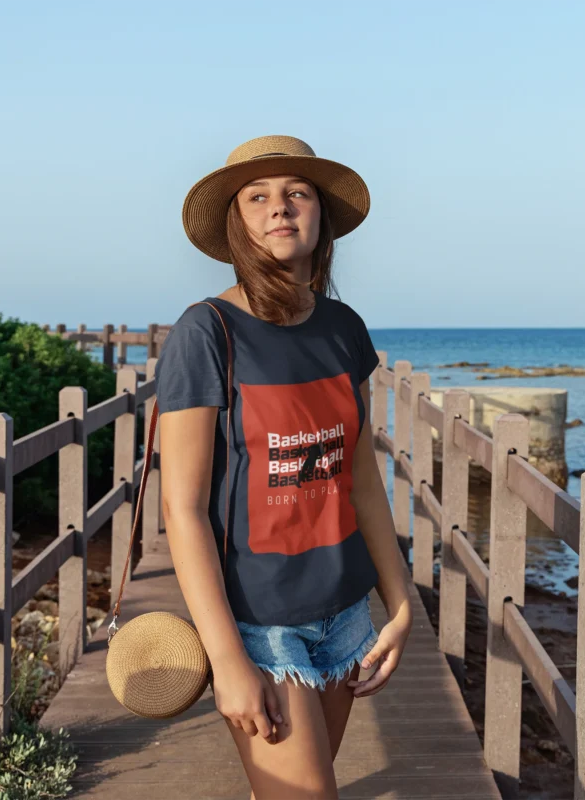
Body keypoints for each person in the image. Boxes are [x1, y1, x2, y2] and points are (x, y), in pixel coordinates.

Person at [155, 135, 413, 799]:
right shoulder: (206, 332)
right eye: (258, 196)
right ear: (236, 221)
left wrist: (400, 601)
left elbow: (359, 479)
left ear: (321, 215)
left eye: (297, 192)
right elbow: (180, 508)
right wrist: (227, 658)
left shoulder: (342, 328)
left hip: (346, 613)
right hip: (260, 624)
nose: (280, 208)